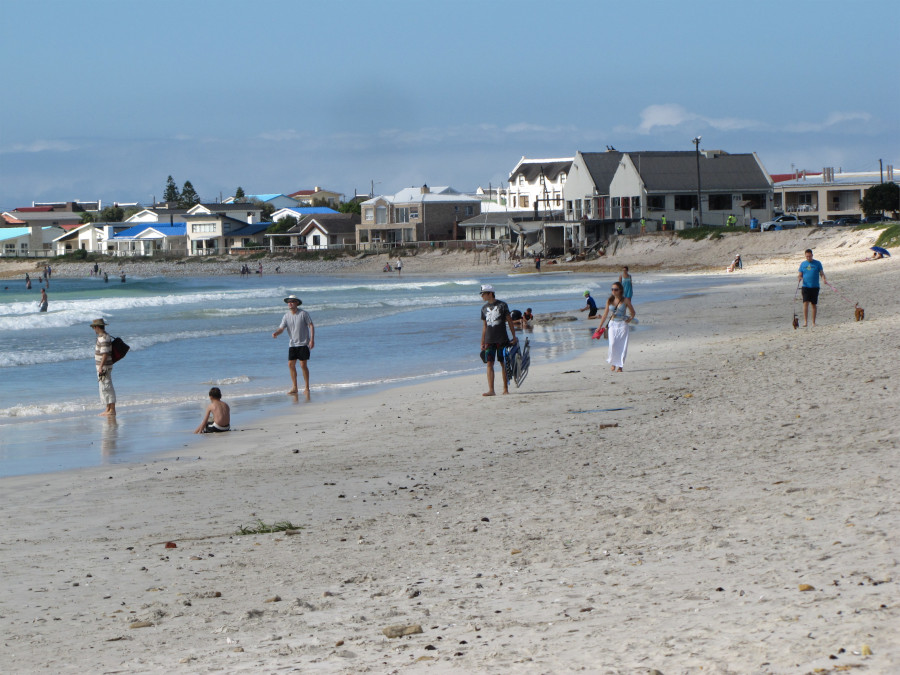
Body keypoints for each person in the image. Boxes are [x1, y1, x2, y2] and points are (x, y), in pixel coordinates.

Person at [272, 294, 315, 397]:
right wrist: (276, 333)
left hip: (303, 343)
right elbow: (281, 328)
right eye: (288, 302)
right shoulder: (286, 316)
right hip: (292, 344)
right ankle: (295, 387)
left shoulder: (303, 314)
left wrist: (312, 339)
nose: (290, 303)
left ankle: (307, 387)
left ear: (297, 303)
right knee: (290, 365)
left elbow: (311, 325)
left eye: (292, 301)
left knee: (303, 365)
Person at [479, 284, 518, 396]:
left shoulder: (502, 305)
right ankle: (491, 390)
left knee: (503, 363)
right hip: (489, 340)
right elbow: (484, 326)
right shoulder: (483, 308)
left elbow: (509, 321)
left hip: (502, 339)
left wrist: (514, 336)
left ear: (490, 293)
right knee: (489, 364)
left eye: (483, 294)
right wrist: (482, 341)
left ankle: (505, 389)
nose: (482, 296)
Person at [597, 282, 636, 373]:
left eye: (615, 289)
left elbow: (633, 312)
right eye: (612, 289)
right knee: (613, 344)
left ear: (620, 290)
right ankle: (613, 362)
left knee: (622, 345)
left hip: (622, 324)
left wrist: (630, 319)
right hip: (612, 324)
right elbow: (605, 314)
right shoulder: (609, 300)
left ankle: (620, 366)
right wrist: (599, 327)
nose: (613, 291)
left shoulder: (625, 300)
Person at [91, 318, 116, 416]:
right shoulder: (103, 337)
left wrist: (101, 367)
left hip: (104, 366)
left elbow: (105, 354)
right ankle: (108, 408)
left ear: (97, 327)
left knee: (107, 386)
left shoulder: (104, 338)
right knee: (104, 387)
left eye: (94, 327)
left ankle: (112, 409)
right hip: (103, 366)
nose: (94, 330)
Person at [798, 248, 827, 327]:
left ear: (812, 255)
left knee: (813, 304)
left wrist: (824, 279)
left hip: (815, 286)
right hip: (805, 286)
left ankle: (813, 322)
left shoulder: (817, 263)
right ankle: (805, 322)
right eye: (807, 256)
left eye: (810, 256)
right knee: (805, 303)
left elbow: (821, 273)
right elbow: (800, 274)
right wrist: (799, 278)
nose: (808, 258)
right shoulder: (803, 264)